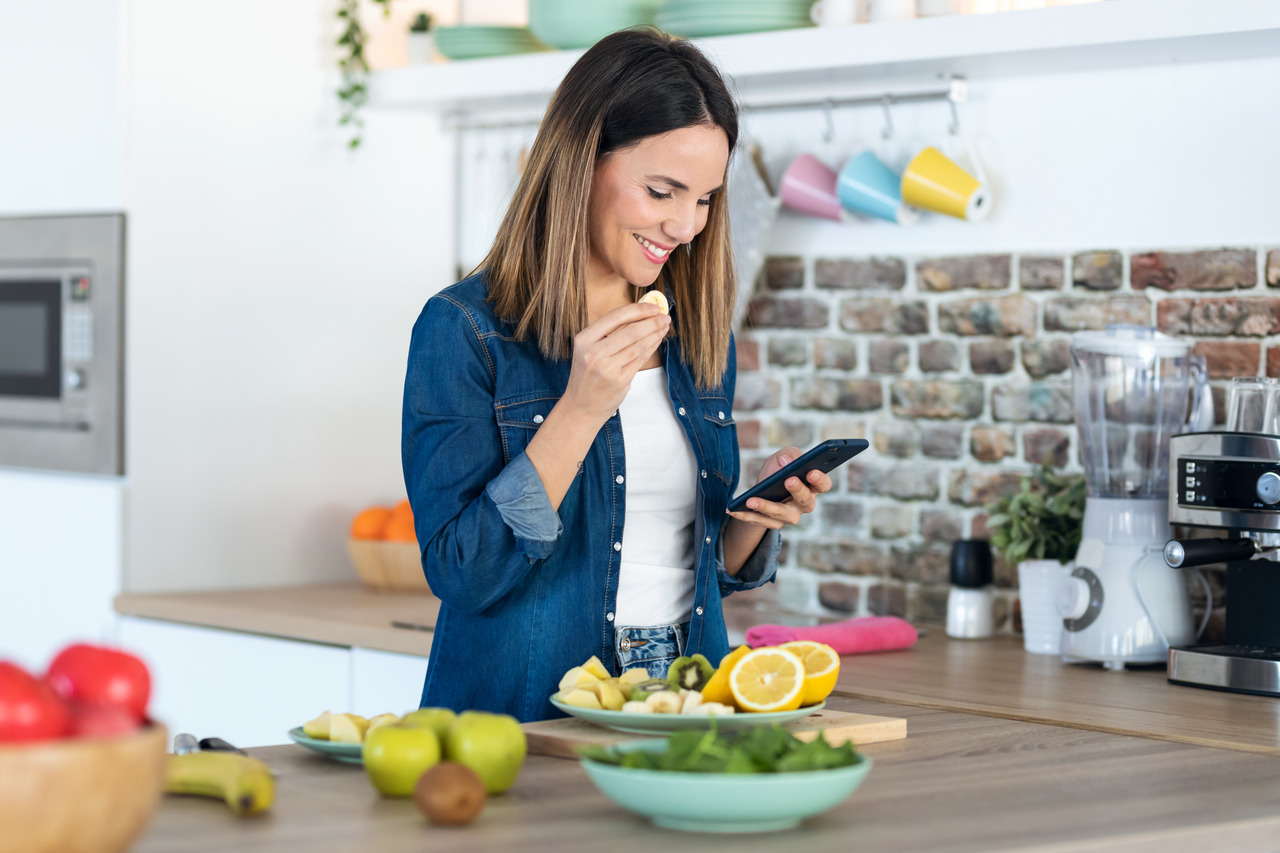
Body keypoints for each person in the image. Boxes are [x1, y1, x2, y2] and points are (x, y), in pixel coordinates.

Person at [401, 28, 832, 723]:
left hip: (690, 695)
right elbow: (462, 570)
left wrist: (753, 521)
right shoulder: (467, 330)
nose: (685, 225)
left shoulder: (694, 334)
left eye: (704, 199)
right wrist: (579, 408)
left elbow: (687, 564)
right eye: (663, 190)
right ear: (582, 162)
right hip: (529, 708)